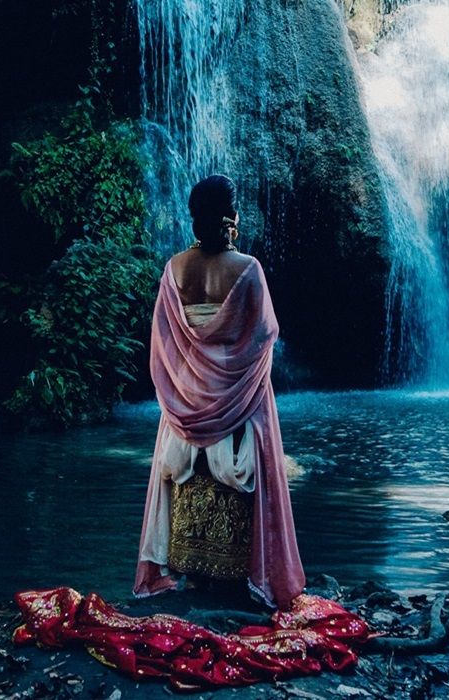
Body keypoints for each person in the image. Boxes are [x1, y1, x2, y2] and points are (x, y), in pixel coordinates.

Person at [133, 174, 306, 609]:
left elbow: (164, 341)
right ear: (231, 215)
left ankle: (190, 568)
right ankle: (234, 575)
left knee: (188, 472)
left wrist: (189, 380)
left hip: (188, 397)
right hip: (237, 397)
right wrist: (235, 376)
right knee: (236, 470)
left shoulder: (174, 269)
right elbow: (264, 333)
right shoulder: (247, 268)